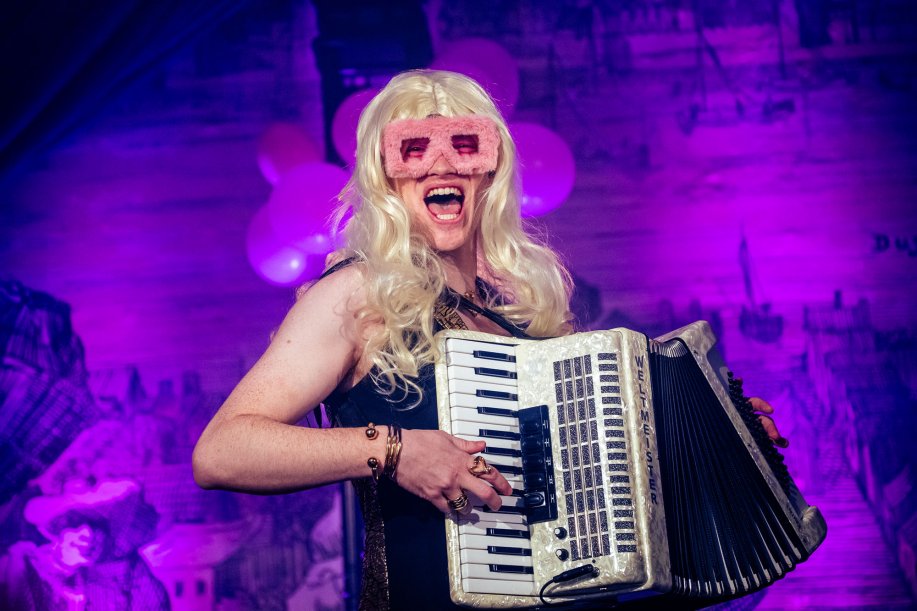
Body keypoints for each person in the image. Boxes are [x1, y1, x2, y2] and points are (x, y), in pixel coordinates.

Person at [192, 69, 786, 610]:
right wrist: (395, 450)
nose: (441, 166)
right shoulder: (356, 295)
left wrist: (725, 444)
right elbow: (221, 451)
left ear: (492, 168)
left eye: (465, 145)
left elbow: (605, 492)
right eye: (413, 149)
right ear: (384, 174)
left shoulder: (524, 310)